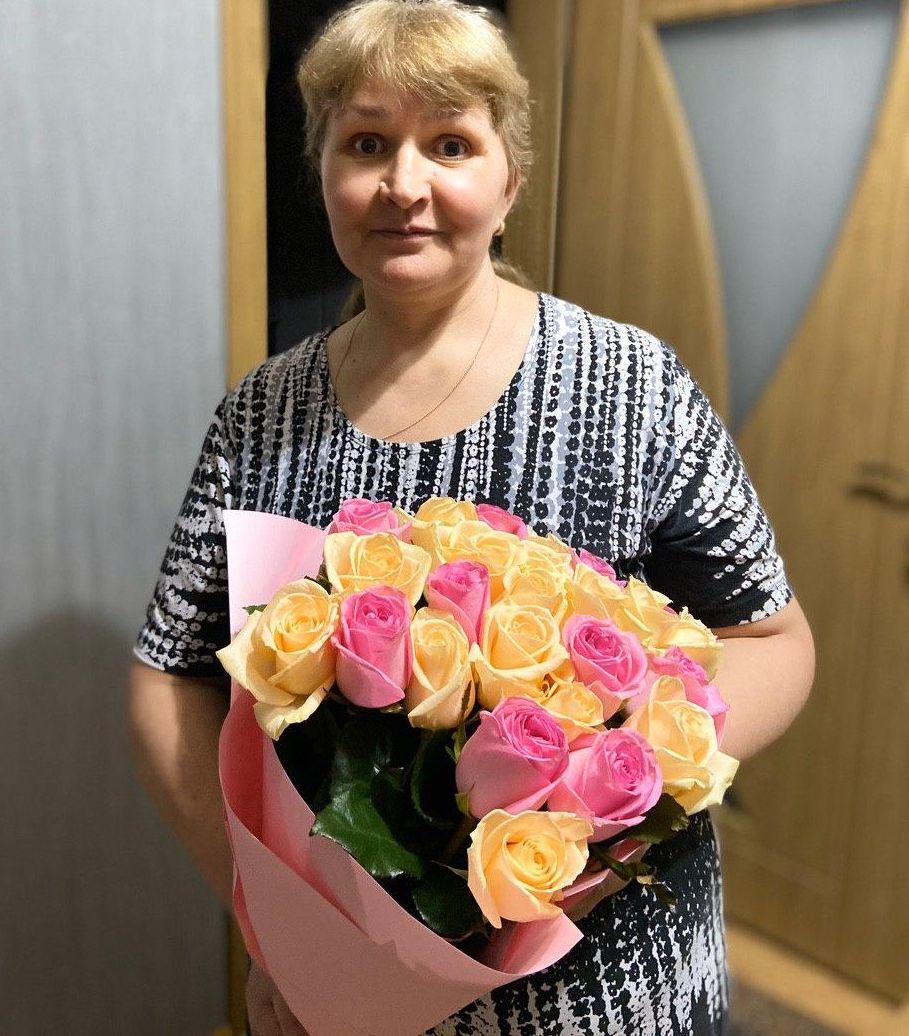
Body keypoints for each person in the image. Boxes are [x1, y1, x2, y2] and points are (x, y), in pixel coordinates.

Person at [129, 1, 815, 1033]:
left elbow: (772, 640)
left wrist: (606, 783)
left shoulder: (630, 387)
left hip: (610, 989)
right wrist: (273, 926)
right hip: (345, 1000)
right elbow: (168, 674)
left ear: (509, 182)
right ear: (323, 173)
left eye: (449, 143)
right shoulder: (261, 415)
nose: (404, 184)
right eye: (367, 143)